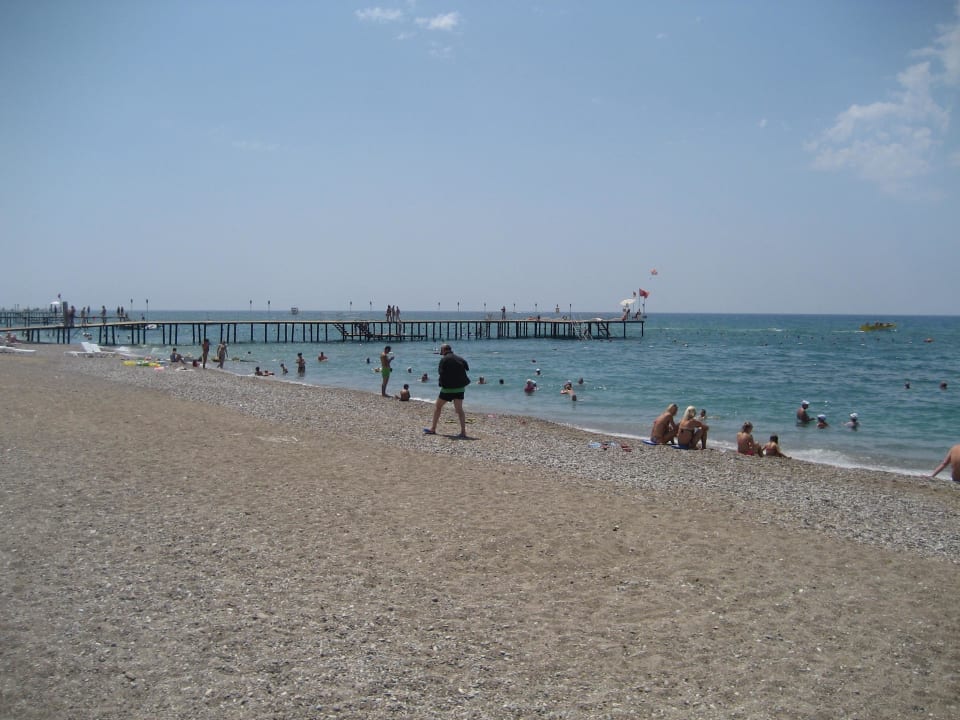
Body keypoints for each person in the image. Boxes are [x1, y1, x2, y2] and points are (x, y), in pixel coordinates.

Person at [423, 343, 470, 438]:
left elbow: (440, 372)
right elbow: (467, 367)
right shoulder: (460, 358)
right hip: (459, 388)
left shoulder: (444, 360)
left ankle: (433, 428)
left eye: (441, 350)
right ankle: (463, 432)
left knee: (438, 407)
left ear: (444, 350)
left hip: (447, 389)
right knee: (459, 410)